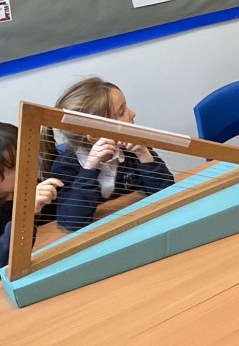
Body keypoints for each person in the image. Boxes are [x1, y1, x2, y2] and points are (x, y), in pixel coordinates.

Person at [43, 78, 174, 231]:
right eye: (121, 112)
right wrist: (89, 169)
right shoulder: (66, 166)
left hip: (140, 225)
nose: (132, 114)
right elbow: (73, 222)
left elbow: (167, 193)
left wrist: (145, 157)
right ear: (95, 135)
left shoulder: (131, 149)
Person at [1, 123, 62, 265]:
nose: (27, 166)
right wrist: (26, 212)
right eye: (14, 166)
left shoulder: (35, 187)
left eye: (26, 157)